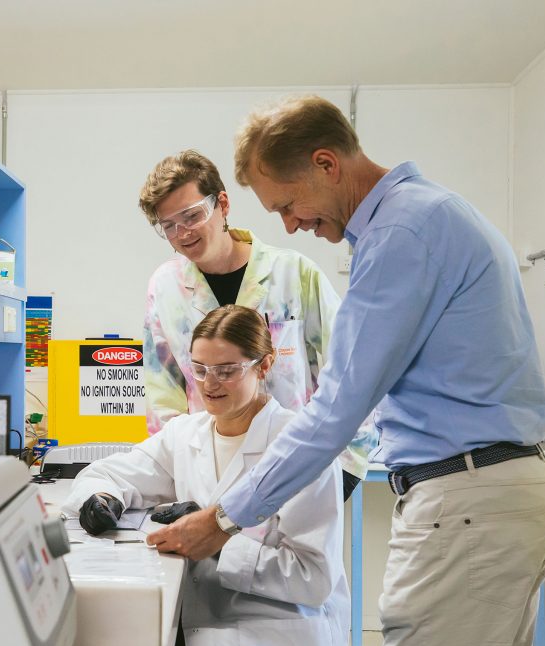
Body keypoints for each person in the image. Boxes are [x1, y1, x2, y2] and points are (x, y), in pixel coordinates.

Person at [146, 95, 545, 646]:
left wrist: (223, 518)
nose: (290, 224)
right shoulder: (430, 215)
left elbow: (338, 405)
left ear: (326, 163)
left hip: (466, 504)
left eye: (288, 204)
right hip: (490, 493)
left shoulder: (400, 234)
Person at [64, 305, 349, 646]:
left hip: (278, 638)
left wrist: (214, 540)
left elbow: (312, 579)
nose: (209, 383)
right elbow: (106, 472)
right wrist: (101, 497)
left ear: (263, 366)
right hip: (204, 627)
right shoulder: (187, 435)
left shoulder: (300, 448)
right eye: (199, 369)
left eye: (227, 371)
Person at [139, 150, 374, 501]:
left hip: (295, 474)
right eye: (168, 226)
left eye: (191, 216)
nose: (182, 234)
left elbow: (354, 373)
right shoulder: (166, 288)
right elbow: (163, 397)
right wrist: (179, 481)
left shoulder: (293, 275)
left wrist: (345, 473)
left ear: (222, 204)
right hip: (209, 481)